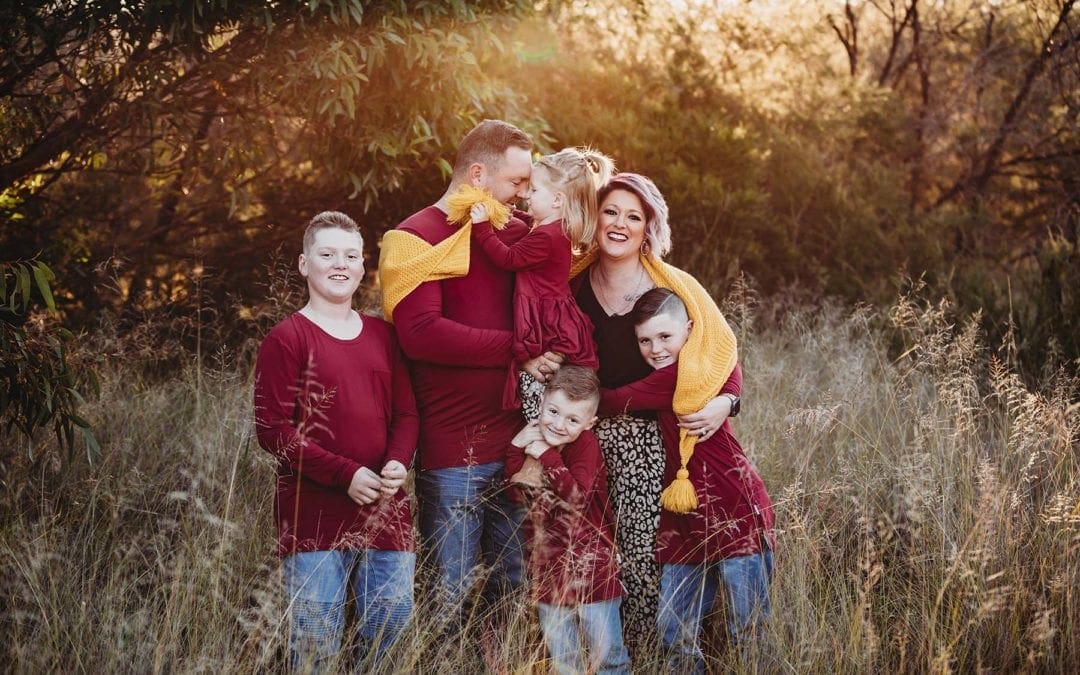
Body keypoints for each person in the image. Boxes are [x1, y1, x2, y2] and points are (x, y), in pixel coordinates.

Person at [377, 120, 563, 632]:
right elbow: (423, 334)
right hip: (452, 452)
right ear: (477, 174)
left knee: (512, 588)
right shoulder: (414, 237)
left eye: (529, 185)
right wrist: (519, 350)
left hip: (518, 447)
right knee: (450, 594)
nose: (525, 195)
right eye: (516, 182)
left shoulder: (509, 233)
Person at [567, 172, 740, 659]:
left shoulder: (673, 286)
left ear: (649, 228)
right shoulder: (571, 282)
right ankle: (595, 656)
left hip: (651, 445)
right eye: (611, 212)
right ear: (594, 218)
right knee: (589, 552)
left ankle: (642, 658)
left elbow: (720, 354)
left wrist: (727, 401)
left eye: (633, 216)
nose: (620, 224)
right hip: (582, 439)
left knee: (642, 559)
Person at [253, 211, 418, 669]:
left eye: (351, 255)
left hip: (386, 509)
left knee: (391, 625)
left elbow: (407, 413)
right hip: (314, 517)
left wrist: (399, 462)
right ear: (305, 264)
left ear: (364, 266)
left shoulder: (384, 336)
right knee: (314, 639)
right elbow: (273, 431)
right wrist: (345, 474)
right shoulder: (286, 339)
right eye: (327, 254)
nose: (339, 264)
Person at [599, 288, 775, 672]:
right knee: (674, 629)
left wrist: (560, 385)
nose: (655, 349)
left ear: (690, 330)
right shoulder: (692, 367)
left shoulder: (681, 375)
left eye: (665, 337)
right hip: (683, 515)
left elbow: (611, 401)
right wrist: (729, 397)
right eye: (644, 341)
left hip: (734, 507)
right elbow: (731, 363)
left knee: (748, 630)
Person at [503, 365, 630, 674]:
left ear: (590, 423)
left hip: (592, 570)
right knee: (564, 660)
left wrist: (546, 453)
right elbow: (514, 492)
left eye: (573, 419)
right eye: (554, 411)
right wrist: (516, 446)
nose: (559, 425)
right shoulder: (529, 439)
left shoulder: (585, 445)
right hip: (547, 572)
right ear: (543, 401)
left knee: (607, 656)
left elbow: (575, 498)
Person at [469, 148, 614, 413]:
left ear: (557, 200)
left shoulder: (546, 237)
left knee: (541, 374)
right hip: (554, 309)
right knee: (548, 373)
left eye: (534, 191)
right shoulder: (555, 227)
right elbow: (528, 221)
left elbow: (508, 259)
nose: (526, 196)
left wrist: (482, 228)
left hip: (548, 318)